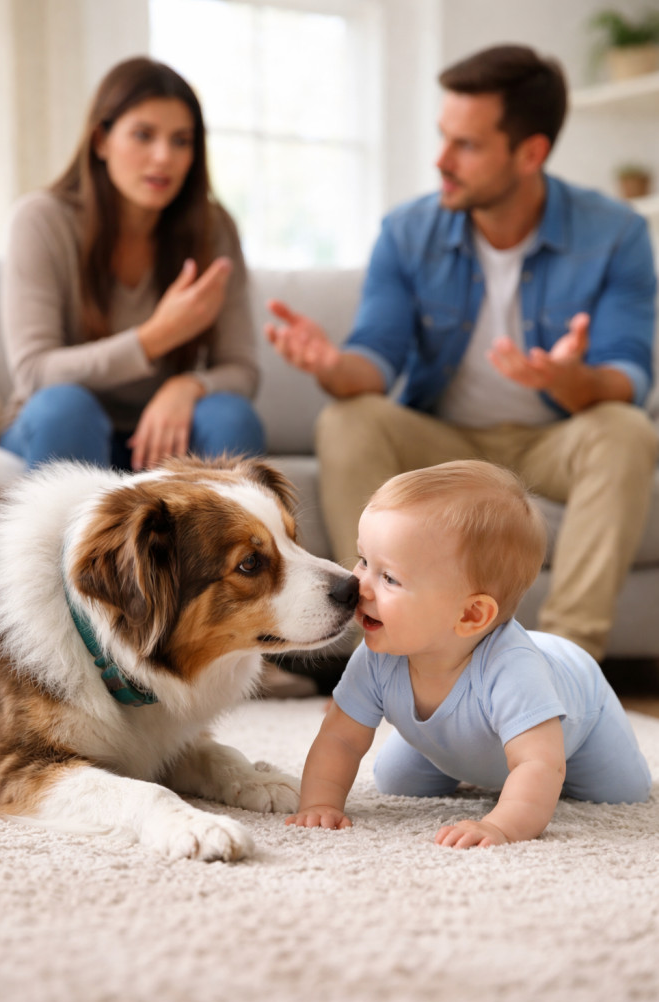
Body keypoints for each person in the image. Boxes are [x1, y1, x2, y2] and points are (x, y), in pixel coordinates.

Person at [265, 44, 658, 664]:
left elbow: (628, 377)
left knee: (626, 431)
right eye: (443, 137)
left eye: (466, 145)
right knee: (348, 418)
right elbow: (374, 358)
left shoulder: (616, 234)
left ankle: (563, 661)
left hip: (552, 444)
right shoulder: (407, 231)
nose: (441, 160)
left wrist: (568, 378)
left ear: (530, 153)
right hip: (441, 442)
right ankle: (382, 654)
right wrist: (329, 366)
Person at [286, 461, 651, 848]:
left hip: (581, 710)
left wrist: (500, 826)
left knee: (622, 790)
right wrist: (321, 803)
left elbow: (538, 763)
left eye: (389, 577)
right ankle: (447, 746)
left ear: (471, 615)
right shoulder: (379, 654)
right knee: (396, 781)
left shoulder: (513, 671)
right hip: (460, 740)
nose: (360, 585)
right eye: (363, 561)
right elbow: (340, 738)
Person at [0, 56, 265, 471]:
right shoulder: (41, 220)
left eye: (181, 141)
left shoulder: (213, 228)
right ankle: (71, 539)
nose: (163, 157)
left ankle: (228, 539)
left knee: (230, 415)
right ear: (101, 140)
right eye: (143, 135)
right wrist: (154, 338)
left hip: (163, 437)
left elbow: (242, 369)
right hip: (61, 426)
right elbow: (35, 373)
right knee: (64, 408)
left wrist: (188, 385)